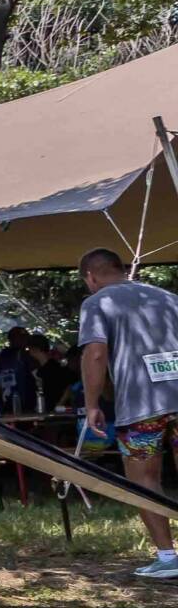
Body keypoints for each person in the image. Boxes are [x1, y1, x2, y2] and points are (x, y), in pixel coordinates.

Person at [75, 247, 178, 578]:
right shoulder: (168, 298)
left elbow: (95, 354)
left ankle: (168, 558)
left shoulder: (97, 303)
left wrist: (92, 404)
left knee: (144, 480)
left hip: (141, 408)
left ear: (91, 277)